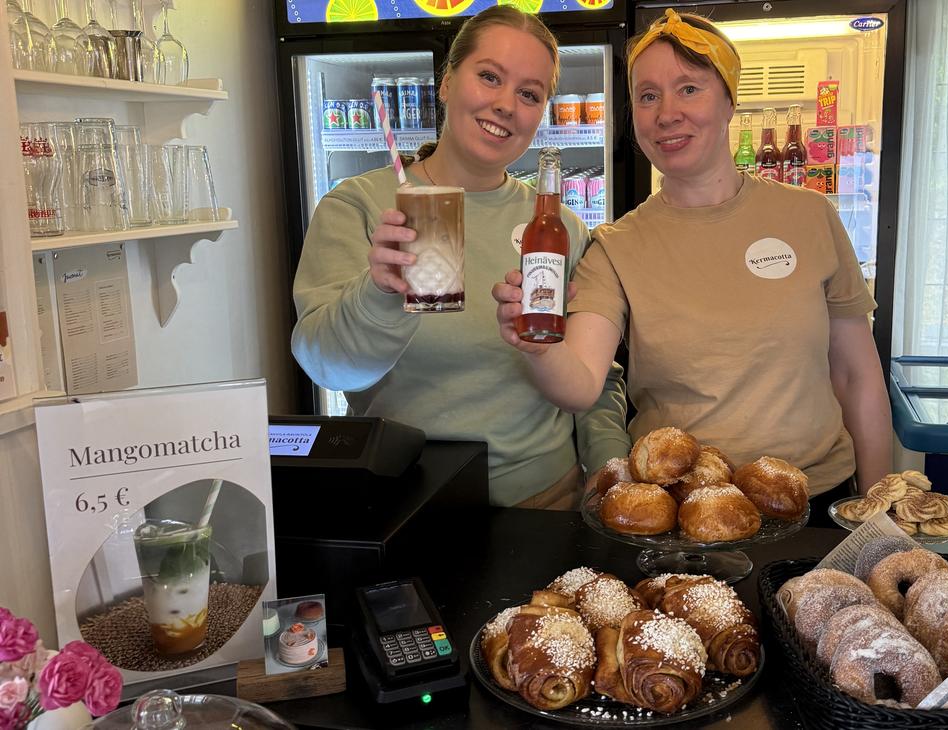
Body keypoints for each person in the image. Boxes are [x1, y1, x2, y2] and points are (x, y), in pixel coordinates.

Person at [493, 9, 892, 525]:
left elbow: (857, 374)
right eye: (648, 95)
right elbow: (580, 385)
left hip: (815, 500)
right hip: (677, 516)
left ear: (729, 100)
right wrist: (536, 346)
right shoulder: (616, 246)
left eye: (689, 89)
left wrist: (881, 508)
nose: (666, 114)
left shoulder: (810, 215)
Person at [291, 6, 630, 509]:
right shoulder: (359, 206)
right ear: (447, 82)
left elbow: (594, 377)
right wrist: (378, 293)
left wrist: (610, 473)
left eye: (529, 94)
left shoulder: (559, 228)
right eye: (489, 76)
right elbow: (328, 368)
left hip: (541, 502)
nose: (505, 104)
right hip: (403, 502)